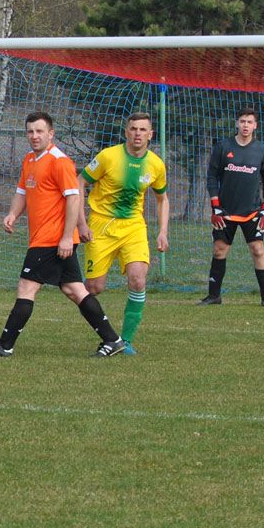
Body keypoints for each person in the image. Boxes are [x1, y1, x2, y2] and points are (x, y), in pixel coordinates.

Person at [0, 112, 128, 358]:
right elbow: (22, 191)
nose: (34, 136)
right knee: (74, 290)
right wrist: (13, 214)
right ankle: (113, 339)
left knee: (26, 287)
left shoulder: (59, 161)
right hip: (44, 238)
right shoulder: (29, 160)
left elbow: (74, 198)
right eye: (30, 131)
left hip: (52, 240)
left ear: (51, 134)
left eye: (39, 131)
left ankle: (5, 345)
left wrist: (68, 237)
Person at [81, 112, 170, 354]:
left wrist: (163, 232)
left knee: (138, 280)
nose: (138, 134)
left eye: (143, 130)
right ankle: (107, 333)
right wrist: (81, 223)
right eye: (133, 129)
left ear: (150, 134)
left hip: (133, 227)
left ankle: (125, 341)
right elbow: (80, 183)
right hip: (102, 225)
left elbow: (162, 199)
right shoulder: (108, 157)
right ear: (126, 132)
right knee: (94, 288)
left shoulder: (156, 164)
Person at [200, 108, 264, 306]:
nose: (245, 125)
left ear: (255, 126)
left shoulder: (261, 150)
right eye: (242, 121)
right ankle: (214, 296)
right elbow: (211, 177)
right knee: (219, 249)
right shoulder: (224, 147)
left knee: (258, 250)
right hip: (225, 211)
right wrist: (215, 206)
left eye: (249, 122)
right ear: (237, 123)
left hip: (252, 211)